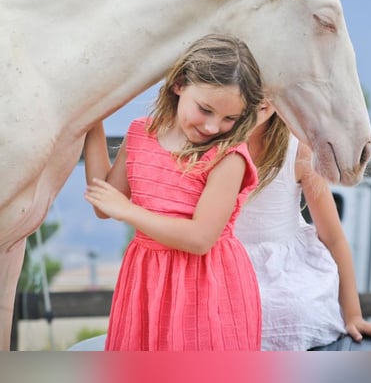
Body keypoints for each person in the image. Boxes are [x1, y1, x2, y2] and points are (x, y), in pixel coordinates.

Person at [82, 33, 265, 350]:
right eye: (205, 109)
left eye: (229, 118)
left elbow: (199, 238)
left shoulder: (229, 156)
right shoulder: (141, 134)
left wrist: (128, 211)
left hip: (207, 288)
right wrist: (91, 119)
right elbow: (104, 203)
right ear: (179, 83)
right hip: (147, 283)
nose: (212, 127)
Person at [234, 98, 371, 351]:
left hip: (282, 270)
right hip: (227, 263)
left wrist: (353, 315)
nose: (260, 95)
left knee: (291, 307)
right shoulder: (209, 142)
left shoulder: (297, 150)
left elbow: (332, 237)